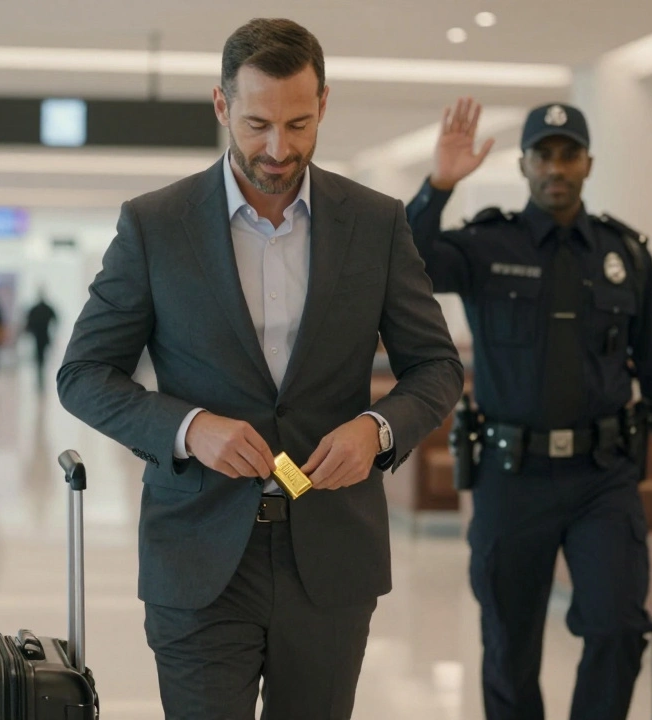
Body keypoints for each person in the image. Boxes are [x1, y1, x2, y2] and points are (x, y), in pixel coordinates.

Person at [57, 19, 463, 719]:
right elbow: (85, 373)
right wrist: (188, 427)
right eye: (257, 125)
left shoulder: (375, 223)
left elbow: (435, 367)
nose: (278, 149)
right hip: (199, 557)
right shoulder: (156, 226)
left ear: (324, 105)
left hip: (331, 556)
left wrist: (378, 430)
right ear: (221, 106)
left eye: (299, 124)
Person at [405, 97, 652, 720]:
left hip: (603, 476)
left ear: (588, 163)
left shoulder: (626, 257)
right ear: (524, 164)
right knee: (509, 646)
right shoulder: (487, 246)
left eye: (569, 154)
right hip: (511, 476)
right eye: (543, 154)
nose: (556, 167)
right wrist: (438, 185)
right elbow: (404, 262)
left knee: (618, 625)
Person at [23, 292, 58, 392]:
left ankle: (41, 380)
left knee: (41, 360)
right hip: (39, 337)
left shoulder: (40, 309)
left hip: (42, 337)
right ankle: (40, 380)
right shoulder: (42, 309)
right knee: (40, 360)